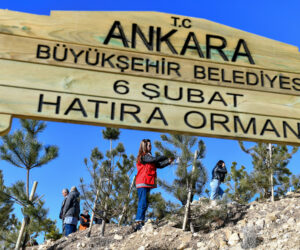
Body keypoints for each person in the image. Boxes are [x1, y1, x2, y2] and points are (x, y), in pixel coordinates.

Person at [134, 139, 174, 231]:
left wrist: (168, 161)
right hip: (142, 182)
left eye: (150, 145)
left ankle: (141, 221)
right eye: (149, 145)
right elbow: (155, 159)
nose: (150, 147)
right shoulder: (143, 157)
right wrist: (166, 155)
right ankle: (138, 222)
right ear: (144, 147)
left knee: (145, 202)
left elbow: (158, 165)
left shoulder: (149, 156)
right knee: (142, 202)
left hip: (147, 182)